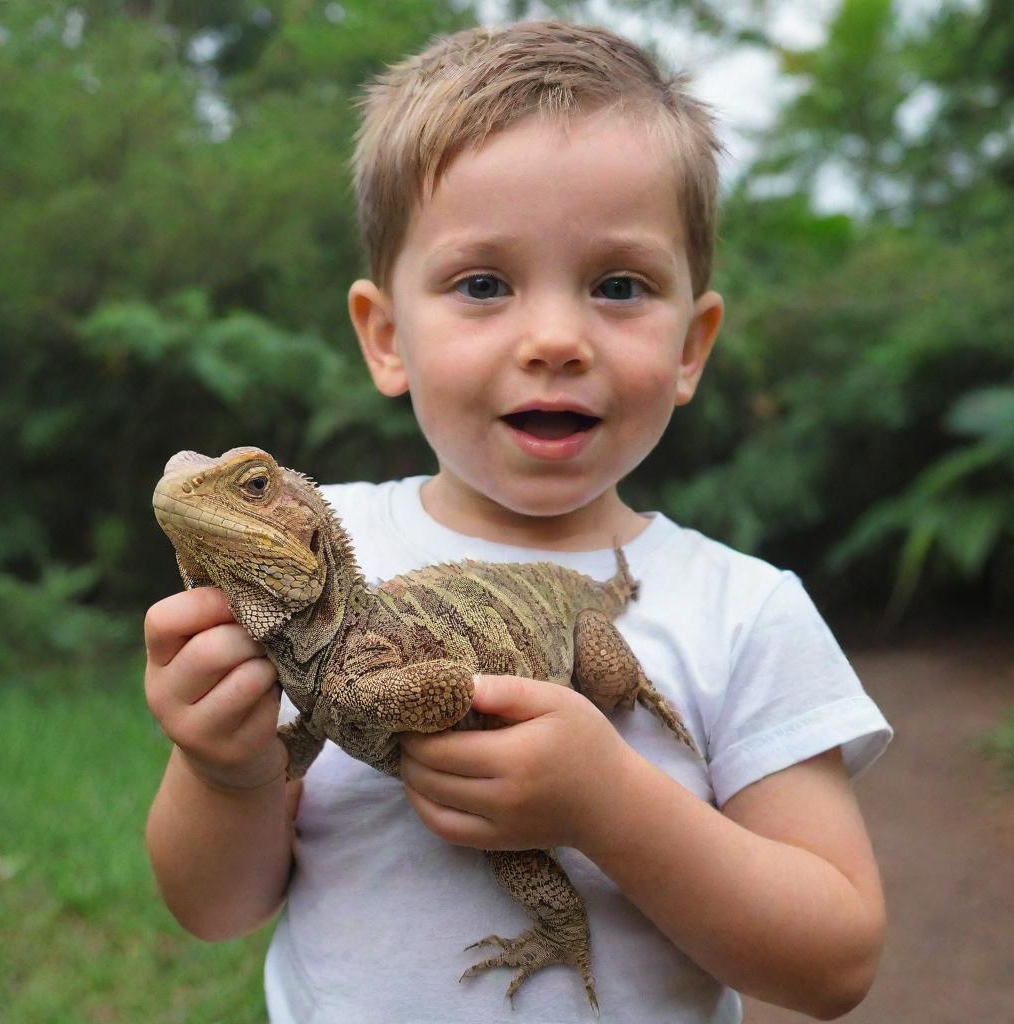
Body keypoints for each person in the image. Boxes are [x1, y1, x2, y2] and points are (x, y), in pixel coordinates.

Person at [144, 20, 892, 1024]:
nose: (553, 339)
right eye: (483, 284)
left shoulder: (745, 610)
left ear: (690, 344)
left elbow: (833, 964)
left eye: (618, 286)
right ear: (384, 334)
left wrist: (609, 805)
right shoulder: (309, 586)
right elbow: (212, 909)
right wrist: (224, 771)